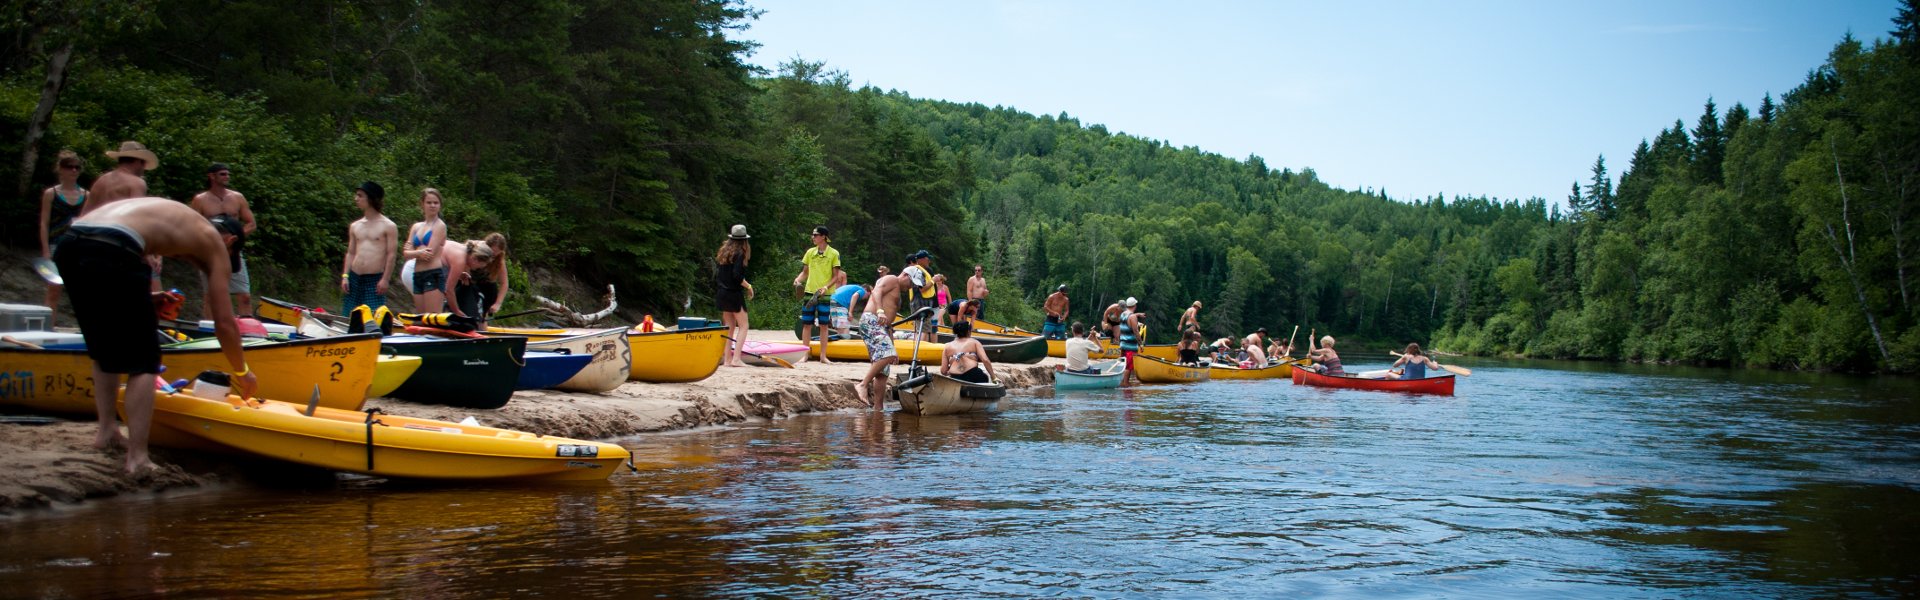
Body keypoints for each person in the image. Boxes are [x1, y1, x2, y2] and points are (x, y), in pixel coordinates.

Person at [54, 198, 258, 475]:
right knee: (146, 361)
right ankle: (138, 458)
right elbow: (224, 323)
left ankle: (107, 433)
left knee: (105, 349)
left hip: (71, 244)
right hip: (112, 246)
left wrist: (147, 297)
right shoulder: (216, 244)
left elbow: (107, 268)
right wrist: (242, 370)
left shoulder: (176, 221)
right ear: (231, 240)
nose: (187, 261)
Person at [85, 142, 161, 291]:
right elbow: (137, 220)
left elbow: (84, 215)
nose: (144, 168)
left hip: (93, 245)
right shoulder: (137, 183)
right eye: (143, 163)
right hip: (119, 246)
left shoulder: (101, 181)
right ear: (137, 160)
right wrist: (148, 254)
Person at [191, 163, 257, 317]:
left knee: (244, 295)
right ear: (211, 176)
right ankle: (209, 330)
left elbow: (251, 223)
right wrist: (212, 241)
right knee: (210, 295)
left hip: (233, 250)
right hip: (211, 251)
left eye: (228, 174)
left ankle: (247, 330)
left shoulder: (237, 197)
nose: (227, 177)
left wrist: (236, 237)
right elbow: (193, 225)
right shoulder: (200, 200)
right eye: (222, 174)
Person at [39, 150, 88, 325]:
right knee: (54, 290)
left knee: (82, 291)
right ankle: (47, 328)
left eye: (77, 167)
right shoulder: (51, 194)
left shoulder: (86, 195)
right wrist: (45, 249)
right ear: (60, 169)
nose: (74, 170)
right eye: (69, 167)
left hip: (78, 246)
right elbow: (44, 222)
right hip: (56, 244)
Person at [339, 181, 397, 314]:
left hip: (374, 279)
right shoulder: (355, 225)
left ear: (371, 198)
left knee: (372, 319)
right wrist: (345, 276)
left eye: (360, 196)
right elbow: (351, 252)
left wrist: (385, 279)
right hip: (354, 277)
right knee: (349, 316)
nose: (356, 199)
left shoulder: (388, 226)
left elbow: (391, 254)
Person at [855, 272, 908, 409]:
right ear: (906, 276)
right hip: (872, 320)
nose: (911, 287)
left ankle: (878, 409)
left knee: (883, 372)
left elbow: (889, 324)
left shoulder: (897, 291)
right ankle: (862, 384)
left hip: (882, 327)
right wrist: (879, 310)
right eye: (912, 283)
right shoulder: (892, 279)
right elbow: (876, 291)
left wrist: (893, 345)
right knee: (887, 353)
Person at [793, 225, 841, 364]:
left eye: (815, 235)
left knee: (824, 325)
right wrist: (798, 279)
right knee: (806, 324)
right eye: (812, 235)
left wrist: (826, 287)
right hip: (809, 292)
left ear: (824, 237)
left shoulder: (834, 253)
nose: (812, 237)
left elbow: (836, 276)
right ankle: (805, 354)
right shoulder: (810, 252)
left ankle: (823, 356)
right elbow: (805, 272)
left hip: (824, 294)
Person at [402, 187, 450, 313]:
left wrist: (414, 251)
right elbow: (406, 253)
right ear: (422, 204)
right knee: (421, 318)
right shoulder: (416, 226)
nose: (432, 205)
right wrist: (418, 253)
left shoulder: (440, 225)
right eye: (429, 202)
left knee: (432, 319)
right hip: (417, 274)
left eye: (436, 203)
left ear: (440, 205)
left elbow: (429, 254)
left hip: (433, 273)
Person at [715, 225, 753, 367]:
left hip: (722, 293)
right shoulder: (740, 254)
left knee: (729, 326)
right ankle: (736, 359)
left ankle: (728, 360)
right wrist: (748, 286)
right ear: (744, 240)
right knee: (744, 325)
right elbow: (737, 276)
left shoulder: (724, 253)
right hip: (733, 293)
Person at [439, 237, 496, 321]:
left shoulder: (462, 249)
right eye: (481, 266)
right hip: (424, 271)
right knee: (433, 313)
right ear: (475, 260)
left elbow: (445, 263)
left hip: (420, 267)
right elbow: (449, 290)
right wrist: (457, 311)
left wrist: (459, 275)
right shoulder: (461, 260)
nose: (480, 268)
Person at [902, 250, 938, 342]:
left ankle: (919, 349)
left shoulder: (918, 270)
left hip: (919, 304)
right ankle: (921, 351)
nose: (929, 261)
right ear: (921, 260)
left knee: (919, 329)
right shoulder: (918, 271)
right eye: (927, 259)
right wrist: (933, 280)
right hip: (921, 304)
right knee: (924, 330)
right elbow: (922, 289)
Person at [1117, 297, 1142, 380]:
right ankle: (1126, 386)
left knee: (1122, 365)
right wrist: (1141, 344)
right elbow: (1136, 331)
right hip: (1130, 346)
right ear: (1135, 305)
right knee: (1129, 367)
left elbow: (1122, 328)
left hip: (1123, 344)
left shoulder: (1122, 314)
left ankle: (1121, 383)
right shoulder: (1132, 317)